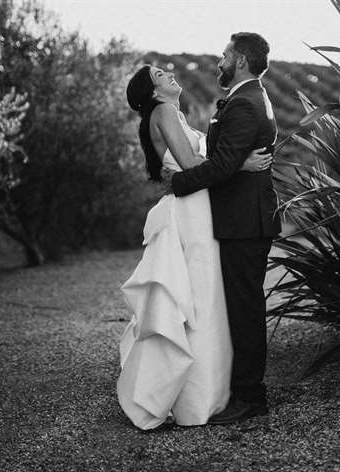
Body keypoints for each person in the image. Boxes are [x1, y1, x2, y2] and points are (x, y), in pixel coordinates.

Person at [117, 64, 273, 430]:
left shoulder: (172, 113)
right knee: (201, 298)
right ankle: (197, 393)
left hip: (199, 205)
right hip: (191, 209)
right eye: (159, 75)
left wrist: (228, 160)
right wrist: (243, 165)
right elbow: (190, 163)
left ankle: (206, 390)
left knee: (205, 299)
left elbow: (202, 161)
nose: (168, 75)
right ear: (152, 91)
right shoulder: (165, 111)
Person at [168, 32, 281, 425]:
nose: (220, 61)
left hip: (245, 222)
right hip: (243, 217)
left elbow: (221, 165)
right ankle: (244, 389)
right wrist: (236, 164)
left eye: (225, 55)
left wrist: (177, 184)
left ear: (242, 61)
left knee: (245, 310)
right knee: (240, 306)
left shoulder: (245, 104)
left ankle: (251, 396)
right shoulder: (251, 97)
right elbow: (229, 160)